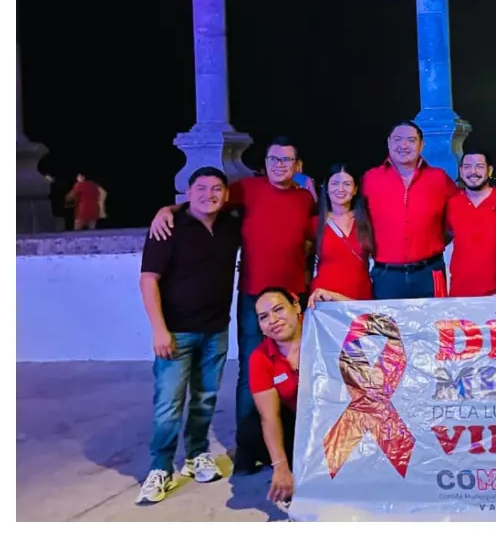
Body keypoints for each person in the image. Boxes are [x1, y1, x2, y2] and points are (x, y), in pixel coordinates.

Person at [149, 136, 314, 475]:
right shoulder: (247, 190)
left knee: (302, 370)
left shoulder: (305, 199)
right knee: (252, 372)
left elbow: (312, 240)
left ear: (298, 166)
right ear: (264, 163)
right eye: (274, 159)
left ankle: (298, 442)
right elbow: (206, 199)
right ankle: (248, 449)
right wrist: (168, 209)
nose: (279, 165)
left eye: (286, 160)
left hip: (294, 298)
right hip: (254, 297)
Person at [136, 167, 241, 505]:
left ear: (226, 194)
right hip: (175, 333)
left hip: (216, 329)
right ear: (188, 192)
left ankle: (197, 455)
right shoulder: (167, 227)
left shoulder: (230, 224)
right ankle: (160, 468)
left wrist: (169, 206)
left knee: (205, 397)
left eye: (216, 189)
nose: (209, 195)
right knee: (169, 404)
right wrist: (159, 329)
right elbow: (148, 280)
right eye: (201, 188)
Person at [250, 286, 355, 510]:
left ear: (296, 306)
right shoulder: (260, 357)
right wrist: (281, 467)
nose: (273, 320)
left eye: (279, 309)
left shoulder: (323, 326)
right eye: (263, 317)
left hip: (344, 418)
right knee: (251, 432)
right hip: (303, 425)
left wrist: (338, 299)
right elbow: (269, 417)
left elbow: (372, 321)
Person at [362, 121, 459, 299]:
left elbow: (458, 217)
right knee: (385, 319)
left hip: (429, 272)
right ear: (389, 143)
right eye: (398, 139)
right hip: (386, 275)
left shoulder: (439, 178)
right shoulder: (370, 179)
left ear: (422, 145)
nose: (404, 145)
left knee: (435, 318)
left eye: (411, 140)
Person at [446, 148, 496, 297]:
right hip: (460, 295)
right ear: (461, 171)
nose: (473, 172)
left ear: (489, 171)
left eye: (479, 166)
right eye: (467, 167)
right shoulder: (451, 204)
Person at [310, 165, 374, 301]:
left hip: (360, 296)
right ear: (326, 188)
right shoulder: (315, 223)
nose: (340, 189)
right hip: (324, 298)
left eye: (347, 184)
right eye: (334, 183)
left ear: (355, 189)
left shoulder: (367, 220)